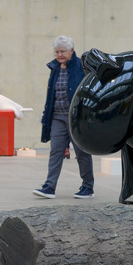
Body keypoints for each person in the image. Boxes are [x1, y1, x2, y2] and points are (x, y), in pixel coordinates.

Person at [34, 35, 94, 199]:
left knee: (82, 152)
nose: (59, 55)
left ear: (72, 51)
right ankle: (49, 187)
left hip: (76, 119)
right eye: (57, 52)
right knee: (56, 151)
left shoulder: (81, 67)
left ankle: (88, 187)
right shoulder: (54, 68)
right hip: (57, 118)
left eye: (63, 51)